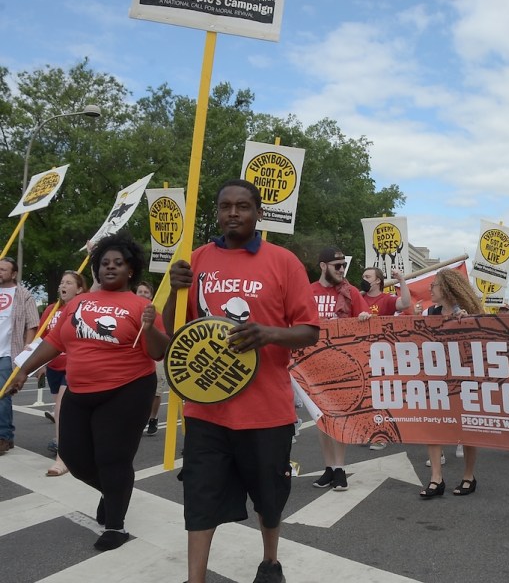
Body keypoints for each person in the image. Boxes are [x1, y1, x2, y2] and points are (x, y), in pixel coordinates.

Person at [164, 179, 319, 583]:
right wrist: (172, 292)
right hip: (206, 409)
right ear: (216, 212)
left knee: (269, 500)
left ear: (258, 213)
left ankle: (270, 562)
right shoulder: (195, 259)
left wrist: (268, 334)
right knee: (199, 498)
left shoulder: (283, 262)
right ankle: (194, 578)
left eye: (243, 206)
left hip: (266, 412)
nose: (233, 213)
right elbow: (173, 333)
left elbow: (309, 331)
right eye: (225, 206)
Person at [8, 232, 169, 551]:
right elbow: (54, 342)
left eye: (118, 263)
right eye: (105, 263)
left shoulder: (142, 306)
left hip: (128, 389)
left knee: (112, 457)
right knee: (74, 456)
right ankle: (113, 491)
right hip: (80, 390)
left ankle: (116, 526)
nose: (110, 268)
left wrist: (149, 328)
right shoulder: (78, 303)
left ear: (130, 269)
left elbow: (158, 352)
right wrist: (24, 370)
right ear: (96, 268)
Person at [420, 268, 484, 499]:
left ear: (447, 288)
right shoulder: (429, 312)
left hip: (464, 379)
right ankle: (436, 478)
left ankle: (469, 476)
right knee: (433, 427)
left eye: (434, 285)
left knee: (467, 428)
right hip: (436, 377)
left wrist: (467, 323)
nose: (430, 289)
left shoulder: (471, 313)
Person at [310, 246, 370, 490]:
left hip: (342, 365)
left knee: (339, 418)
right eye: (337, 266)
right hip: (312, 367)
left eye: (343, 266)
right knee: (321, 420)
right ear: (323, 266)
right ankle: (328, 468)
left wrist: (364, 318)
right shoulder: (307, 291)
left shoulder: (351, 292)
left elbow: (365, 319)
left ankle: (340, 468)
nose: (342, 270)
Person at [39, 270, 89, 476]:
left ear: (79, 289)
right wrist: (37, 364)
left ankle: (63, 458)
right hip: (54, 367)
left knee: (60, 409)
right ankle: (75, 444)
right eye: (62, 282)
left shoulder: (82, 307)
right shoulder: (51, 310)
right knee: (66, 414)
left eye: (69, 283)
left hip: (74, 365)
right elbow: (42, 338)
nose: (63, 286)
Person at [360, 266, 411, 450]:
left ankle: (381, 435)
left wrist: (401, 280)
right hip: (361, 353)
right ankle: (368, 432)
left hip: (381, 356)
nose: (363, 279)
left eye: (367, 276)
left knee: (379, 397)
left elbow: (405, 303)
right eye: (363, 276)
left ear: (377, 281)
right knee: (365, 397)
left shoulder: (386, 300)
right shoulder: (359, 298)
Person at [0, 257, 40, 455]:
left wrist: (27, 348)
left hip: (9, 352)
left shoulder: (23, 295)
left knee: (3, 395)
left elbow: (32, 324)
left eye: (3, 269)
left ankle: (4, 437)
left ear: (13, 274)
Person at [136, 280, 166, 436]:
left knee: (156, 391)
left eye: (146, 292)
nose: (142, 294)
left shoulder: (158, 314)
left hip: (155, 356)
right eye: (139, 291)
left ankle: (152, 418)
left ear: (152, 295)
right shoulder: (130, 311)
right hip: (137, 355)